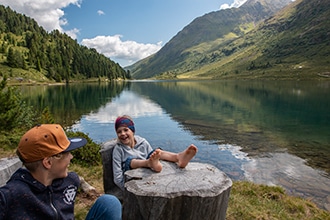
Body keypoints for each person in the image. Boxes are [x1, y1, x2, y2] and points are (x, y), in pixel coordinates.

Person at [0, 124, 122, 220]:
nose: (71, 157)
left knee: (109, 203)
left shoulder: (71, 182)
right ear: (48, 162)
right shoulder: (10, 196)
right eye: (67, 153)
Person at [112, 115, 198, 190]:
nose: (122, 133)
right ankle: (149, 163)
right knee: (130, 161)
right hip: (130, 176)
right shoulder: (118, 149)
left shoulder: (142, 142)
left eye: (126, 130)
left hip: (146, 170)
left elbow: (153, 155)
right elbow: (117, 177)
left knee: (157, 152)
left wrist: (156, 156)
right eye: (119, 132)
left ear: (132, 131)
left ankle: (178, 157)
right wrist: (126, 189)